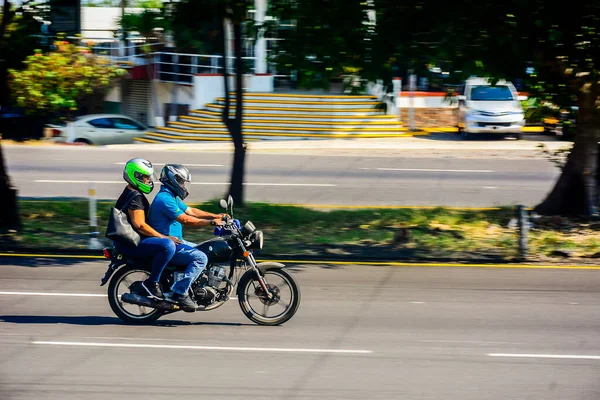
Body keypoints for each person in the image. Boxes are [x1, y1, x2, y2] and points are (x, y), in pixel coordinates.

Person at [148, 164, 225, 310]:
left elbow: (191, 211)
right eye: (182, 182)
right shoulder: (164, 199)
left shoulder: (171, 197)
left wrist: (216, 215)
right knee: (200, 258)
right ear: (173, 180)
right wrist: (211, 222)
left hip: (177, 242)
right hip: (168, 244)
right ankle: (179, 292)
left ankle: (191, 286)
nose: (183, 186)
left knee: (204, 250)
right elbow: (186, 220)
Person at [112, 158, 181, 300]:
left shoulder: (131, 192)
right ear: (135, 176)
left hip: (131, 240)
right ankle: (152, 283)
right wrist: (164, 237)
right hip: (131, 243)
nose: (149, 180)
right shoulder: (135, 198)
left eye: (149, 177)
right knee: (167, 246)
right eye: (145, 177)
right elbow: (140, 225)